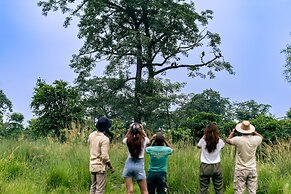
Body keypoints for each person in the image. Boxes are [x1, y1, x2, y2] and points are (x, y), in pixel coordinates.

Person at [226, 120, 263, 194]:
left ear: (240, 130)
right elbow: (261, 137)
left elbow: (228, 140)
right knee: (252, 191)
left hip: (240, 169)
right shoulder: (255, 139)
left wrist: (233, 131)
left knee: (239, 191)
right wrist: (254, 131)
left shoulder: (237, 139)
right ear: (250, 130)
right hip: (252, 168)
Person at [88, 116, 115, 194]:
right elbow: (105, 157)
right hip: (100, 166)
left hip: (92, 164)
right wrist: (111, 166)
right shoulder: (104, 139)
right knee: (100, 189)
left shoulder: (91, 135)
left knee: (93, 186)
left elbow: (89, 144)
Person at [197, 123, 225, 194]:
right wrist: (216, 136)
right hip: (216, 166)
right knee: (219, 189)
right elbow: (223, 146)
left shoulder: (203, 141)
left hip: (205, 166)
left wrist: (204, 136)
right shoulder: (220, 141)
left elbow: (198, 146)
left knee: (203, 189)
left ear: (206, 132)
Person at [122, 122, 150, 194]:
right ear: (140, 130)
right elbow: (148, 141)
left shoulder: (128, 140)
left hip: (129, 164)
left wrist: (129, 130)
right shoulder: (144, 140)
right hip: (139, 165)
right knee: (144, 191)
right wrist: (142, 130)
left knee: (129, 191)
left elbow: (124, 139)